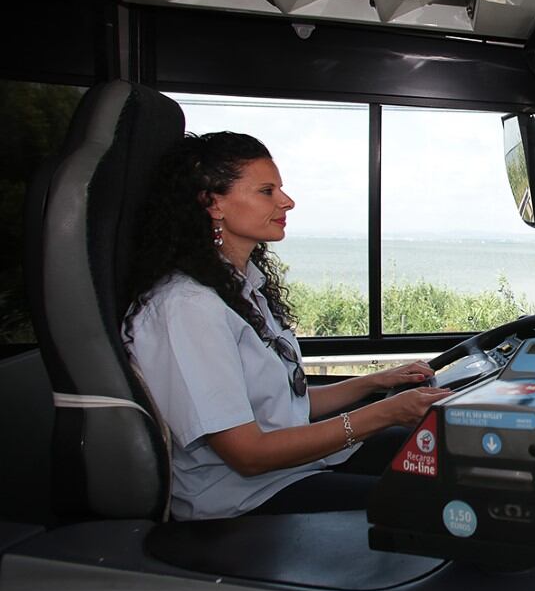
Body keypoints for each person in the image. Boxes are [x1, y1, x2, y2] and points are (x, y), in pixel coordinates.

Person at [122, 131, 451, 521]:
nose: (287, 201)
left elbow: (283, 404)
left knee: (446, 453)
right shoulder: (187, 308)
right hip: (243, 499)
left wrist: (375, 382)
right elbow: (248, 453)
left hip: (290, 470)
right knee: (428, 499)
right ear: (213, 204)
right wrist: (386, 413)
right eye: (267, 191)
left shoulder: (240, 290)